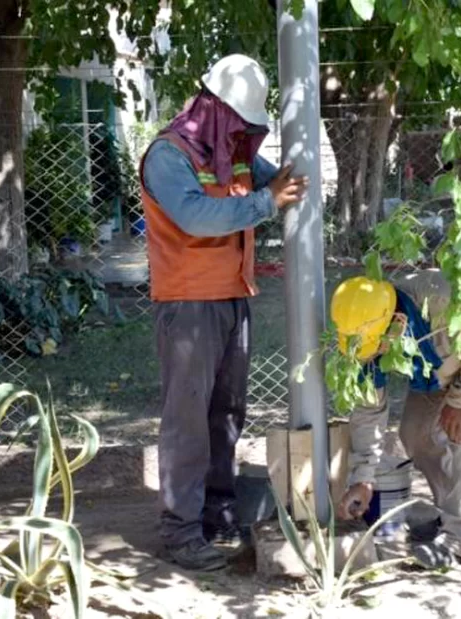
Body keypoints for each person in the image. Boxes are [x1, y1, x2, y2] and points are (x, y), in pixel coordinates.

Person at [139, 54, 308, 572]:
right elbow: (195, 216)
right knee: (188, 421)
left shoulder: (228, 149)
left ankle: (217, 511)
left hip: (233, 296)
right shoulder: (170, 155)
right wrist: (266, 201)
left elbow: (268, 178)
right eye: (241, 122)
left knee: (226, 413)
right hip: (189, 303)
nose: (245, 136)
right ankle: (180, 530)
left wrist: (286, 180)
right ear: (214, 108)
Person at [331, 271, 461, 568]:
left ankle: (460, 537)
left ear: (394, 321)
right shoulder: (361, 328)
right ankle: (448, 512)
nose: (374, 351)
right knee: (414, 434)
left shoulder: (444, 303)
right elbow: (368, 410)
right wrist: (363, 479)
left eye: (376, 343)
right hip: (440, 365)